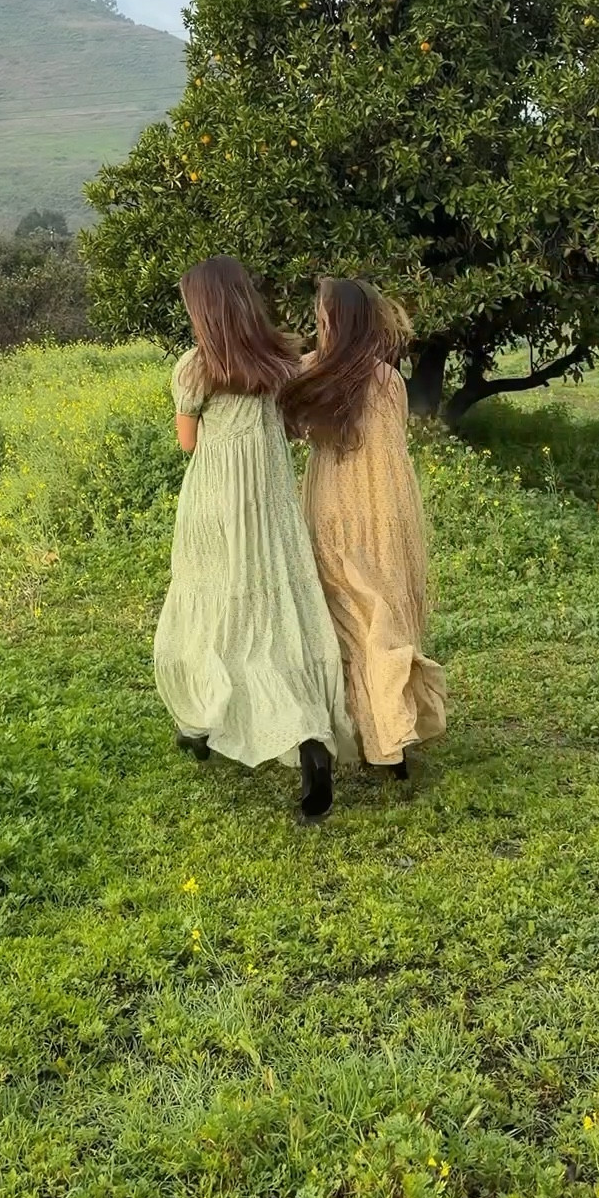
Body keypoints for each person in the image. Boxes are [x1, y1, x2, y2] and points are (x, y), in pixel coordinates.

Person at [154, 256, 356, 822]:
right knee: (276, 613)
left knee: (212, 607)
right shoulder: (281, 359)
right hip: (271, 508)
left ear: (204, 310)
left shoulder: (195, 368)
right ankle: (310, 740)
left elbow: (188, 445)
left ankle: (197, 723)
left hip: (216, 505)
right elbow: (290, 425)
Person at [279, 277, 446, 779]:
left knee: (344, 618)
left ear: (333, 321)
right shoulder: (387, 379)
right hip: (385, 507)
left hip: (331, 505)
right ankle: (389, 739)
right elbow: (394, 449)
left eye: (320, 315)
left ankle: (365, 732)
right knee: (383, 615)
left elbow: (289, 430)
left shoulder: (309, 373)